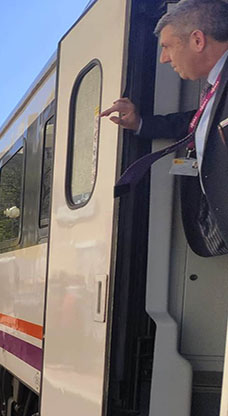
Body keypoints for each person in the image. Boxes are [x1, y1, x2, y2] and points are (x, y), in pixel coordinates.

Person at [100, 0, 228, 255]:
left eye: (167, 47)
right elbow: (196, 122)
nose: (163, 58)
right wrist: (140, 123)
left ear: (198, 40)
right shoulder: (217, 86)